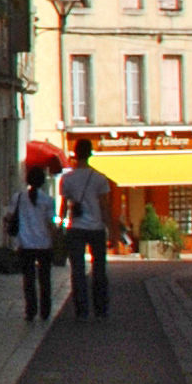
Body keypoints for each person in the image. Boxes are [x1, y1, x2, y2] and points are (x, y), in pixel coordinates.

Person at [56, 136, 117, 322]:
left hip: (77, 228)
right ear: (90, 154)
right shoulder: (99, 179)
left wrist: (60, 226)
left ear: (75, 154)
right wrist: (112, 231)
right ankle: (101, 310)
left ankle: (81, 311)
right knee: (99, 270)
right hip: (96, 227)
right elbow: (105, 206)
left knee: (77, 270)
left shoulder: (67, 179)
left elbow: (64, 206)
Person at [8, 164, 58, 322]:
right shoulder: (48, 200)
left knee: (28, 278)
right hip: (44, 244)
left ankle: (30, 310)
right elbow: (51, 222)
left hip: (25, 243)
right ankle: (45, 310)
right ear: (43, 182)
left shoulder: (18, 197)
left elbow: (9, 216)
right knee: (45, 279)